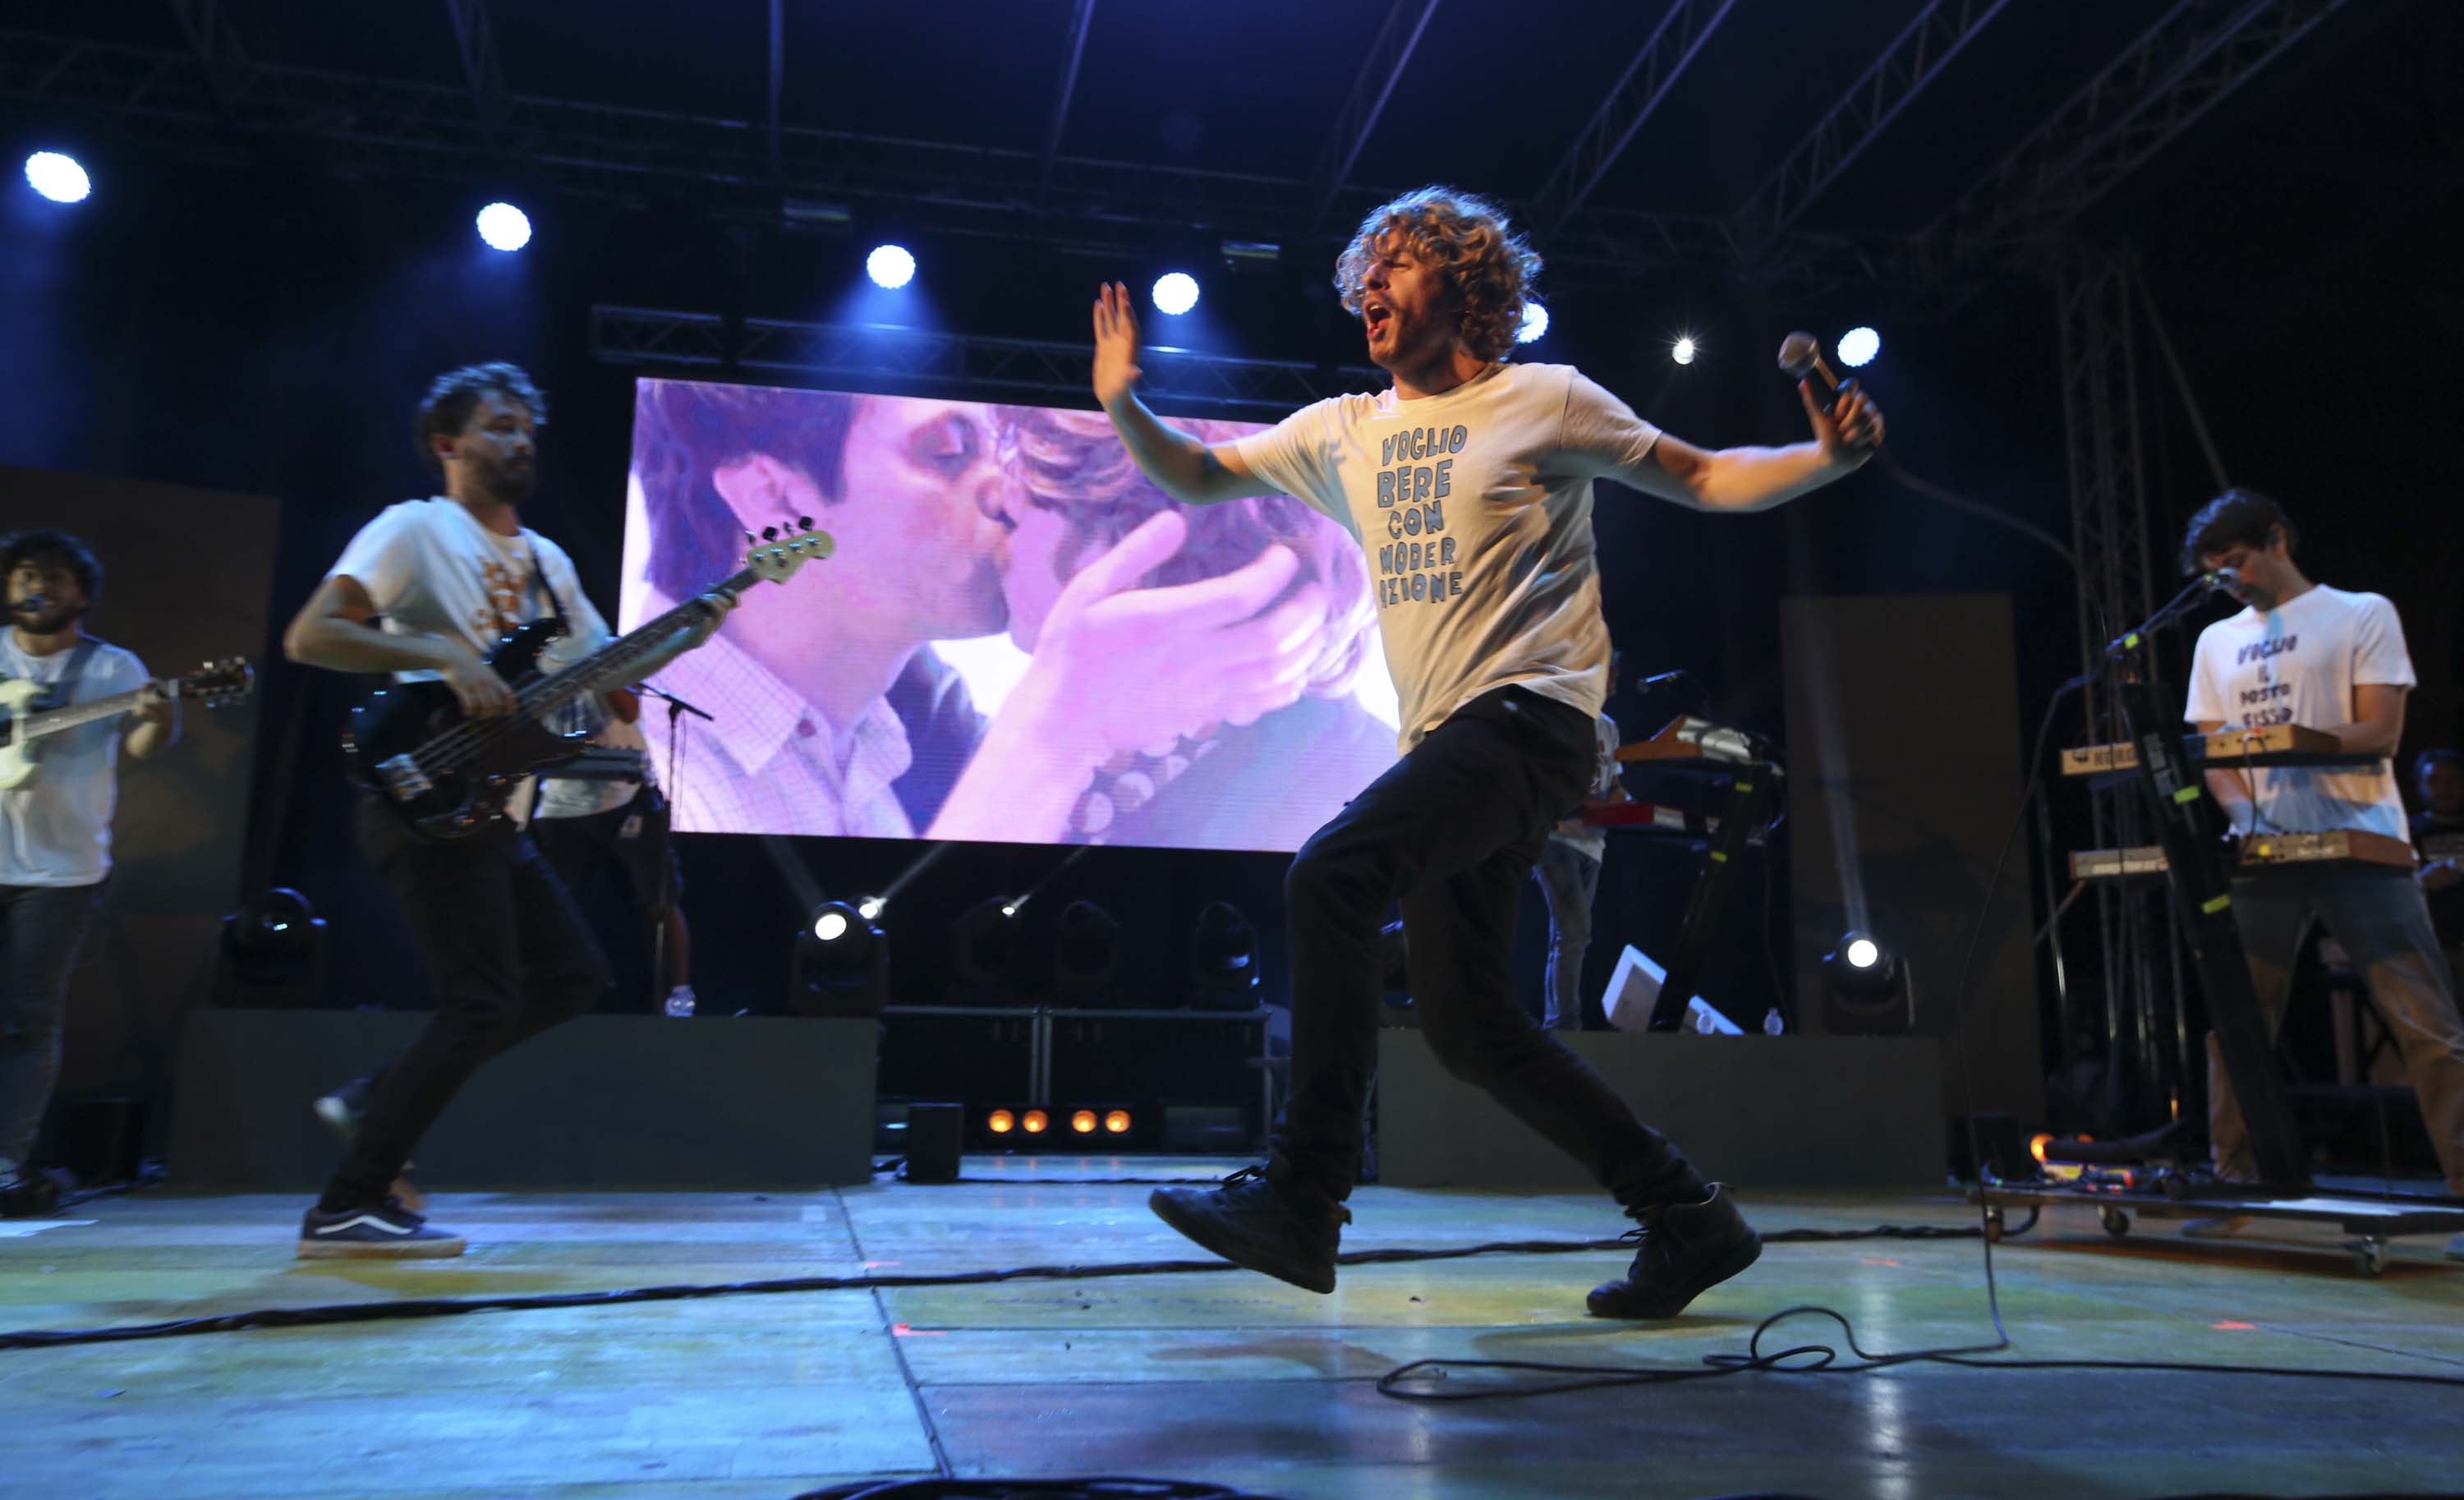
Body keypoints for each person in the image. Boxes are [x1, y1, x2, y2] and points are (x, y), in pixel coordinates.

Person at [1119, 186, 1883, 1318]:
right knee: (1469, 1027)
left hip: (1532, 722)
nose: (1372, 284)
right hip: (1450, 740)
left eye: (1399, 262)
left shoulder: (1544, 400)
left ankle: (1303, 1194)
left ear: (1467, 288)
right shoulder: (1343, 432)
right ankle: (1688, 1215)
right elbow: (1196, 473)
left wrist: (1823, 461)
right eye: (1365, 271)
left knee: (1332, 875)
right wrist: (1121, 402)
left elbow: (1702, 475)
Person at [283, 363, 732, 1258]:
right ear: (446, 442)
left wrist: (697, 625)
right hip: (422, 787)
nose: (521, 440)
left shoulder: (548, 563)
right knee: (481, 998)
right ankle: (348, 1202)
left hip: (490, 803)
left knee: (572, 979)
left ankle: (374, 1105)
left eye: (528, 427)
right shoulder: (415, 529)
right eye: (499, 425)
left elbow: (607, 675)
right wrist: (441, 655)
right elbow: (312, 635)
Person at [2180, 490, 2464, 1255]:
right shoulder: (2216, 642)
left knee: (2426, 1025)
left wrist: (2294, 741)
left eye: (2237, 563)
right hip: (2265, 856)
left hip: (2361, 843)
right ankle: (2235, 1183)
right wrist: (2245, 818)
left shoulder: (2360, 613)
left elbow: (2381, 729)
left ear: (2278, 539)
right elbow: (2213, 753)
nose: (2229, 582)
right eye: (2215, 573)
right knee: (2238, 1026)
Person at [923, 405, 1393, 849]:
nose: (1002, 500)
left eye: (1042, 488)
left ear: (1147, 550)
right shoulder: (961, 728)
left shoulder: (1357, 794)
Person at [631, 382, 1009, 838]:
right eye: (950, 453)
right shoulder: (642, 784)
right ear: (775, 499)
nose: (1011, 495)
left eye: (1006, 449)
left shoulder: (898, 734)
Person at [0, 531, 180, 1216]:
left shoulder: (112, 668)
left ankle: (5, 1164)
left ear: (82, 595)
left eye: (52, 576)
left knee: (29, 1020)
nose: (35, 586)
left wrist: (160, 717)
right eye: (24, 575)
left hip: (60, 872)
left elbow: (144, 745)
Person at [526, 690, 694, 1017]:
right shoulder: (534, 666)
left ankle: (679, 997)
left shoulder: (611, 660)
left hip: (626, 793)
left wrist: (599, 675)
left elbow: (629, 711)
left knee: (658, 901)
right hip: (561, 803)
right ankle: (547, 996)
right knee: (551, 908)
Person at [1535, 651, 1631, 1031]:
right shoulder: (1567, 718)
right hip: (1557, 836)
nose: (1612, 680)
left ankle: (1559, 1020)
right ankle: (1564, 1023)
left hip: (1594, 841)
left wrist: (1625, 802)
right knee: (1575, 930)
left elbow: (1616, 783)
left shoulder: (1610, 728)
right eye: (1607, 671)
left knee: (1572, 935)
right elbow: (1559, 782)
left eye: (1615, 673)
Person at [2413, 748, 2464, 964]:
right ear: (2420, 786)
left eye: (2453, 780)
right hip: (2427, 947)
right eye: (2434, 781)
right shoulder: (2404, 832)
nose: (2444, 789)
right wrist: (2420, 881)